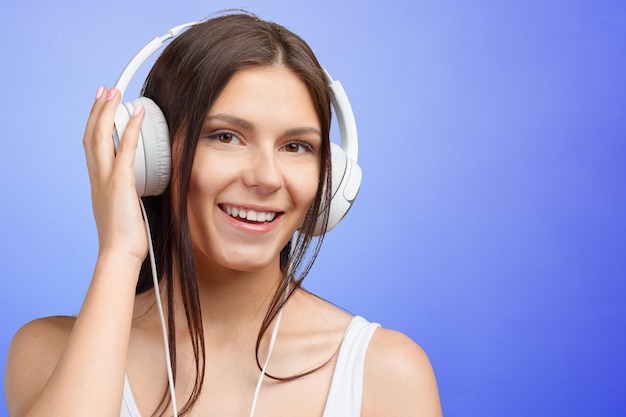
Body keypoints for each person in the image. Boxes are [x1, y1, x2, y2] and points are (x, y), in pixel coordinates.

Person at [4, 12, 442, 417]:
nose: (267, 178)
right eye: (226, 136)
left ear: (330, 178)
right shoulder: (46, 352)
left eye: (296, 146)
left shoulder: (386, 374)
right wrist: (119, 254)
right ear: (150, 156)